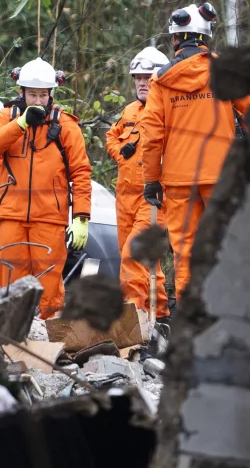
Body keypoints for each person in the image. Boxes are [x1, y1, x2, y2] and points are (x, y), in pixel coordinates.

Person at [136, 3, 250, 300]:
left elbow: (152, 136)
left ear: (176, 39)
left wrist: (151, 180)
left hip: (179, 182)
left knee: (186, 253)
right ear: (206, 37)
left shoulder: (161, 81)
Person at [0, 58, 92, 317]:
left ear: (51, 94)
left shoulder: (65, 126)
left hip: (50, 218)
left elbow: (81, 172)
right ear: (22, 93)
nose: (38, 101)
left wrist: (82, 218)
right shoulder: (7, 118)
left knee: (49, 287)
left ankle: (49, 346)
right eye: (33, 95)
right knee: (11, 285)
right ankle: (10, 341)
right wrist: (20, 125)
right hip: (11, 216)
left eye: (43, 95)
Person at [106, 46, 170, 318]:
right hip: (125, 197)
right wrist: (122, 155)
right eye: (138, 78)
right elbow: (111, 136)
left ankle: (135, 317)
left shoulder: (169, 110)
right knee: (143, 263)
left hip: (153, 198)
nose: (142, 83)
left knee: (133, 256)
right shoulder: (130, 111)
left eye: (147, 77)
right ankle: (163, 315)